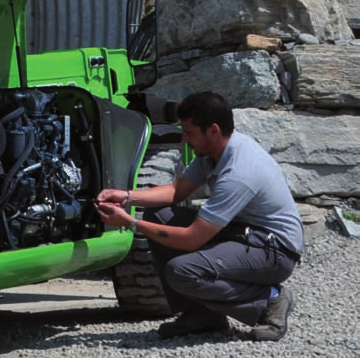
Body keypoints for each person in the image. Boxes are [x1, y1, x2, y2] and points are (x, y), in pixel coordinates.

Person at [97, 91, 304, 341]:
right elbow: (176, 191)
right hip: (242, 234)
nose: (184, 140)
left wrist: (130, 223)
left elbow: (191, 239)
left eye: (189, 133)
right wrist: (126, 196)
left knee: (182, 271)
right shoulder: (213, 153)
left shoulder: (239, 172)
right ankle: (203, 315)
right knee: (158, 214)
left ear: (213, 131)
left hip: (275, 251)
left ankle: (270, 299)